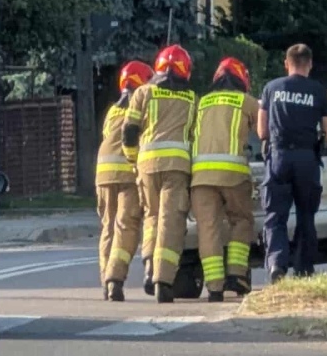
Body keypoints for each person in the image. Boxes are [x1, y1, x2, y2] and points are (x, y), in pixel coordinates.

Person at [123, 44, 196, 303]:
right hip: (176, 167)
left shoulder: (142, 92)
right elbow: (195, 136)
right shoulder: (191, 99)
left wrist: (133, 159)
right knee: (171, 221)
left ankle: (148, 268)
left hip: (147, 166)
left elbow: (129, 131)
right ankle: (163, 281)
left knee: (152, 217)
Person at [257, 44, 327, 282]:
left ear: (286, 63)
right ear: (309, 64)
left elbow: (262, 131)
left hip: (278, 158)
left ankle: (276, 264)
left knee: (275, 215)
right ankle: (304, 268)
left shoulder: (271, 88)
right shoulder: (318, 90)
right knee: (306, 214)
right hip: (307, 159)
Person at [190, 58, 260, 302]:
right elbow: (266, 132)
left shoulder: (201, 103)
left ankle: (214, 288)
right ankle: (237, 275)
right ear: (242, 79)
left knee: (208, 229)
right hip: (233, 176)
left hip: (200, 177)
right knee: (241, 220)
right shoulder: (247, 101)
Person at [95, 60, 153, 302]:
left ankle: (106, 281)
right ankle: (114, 279)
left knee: (108, 227)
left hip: (103, 173)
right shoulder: (141, 109)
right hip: (128, 173)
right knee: (126, 226)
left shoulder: (112, 111)